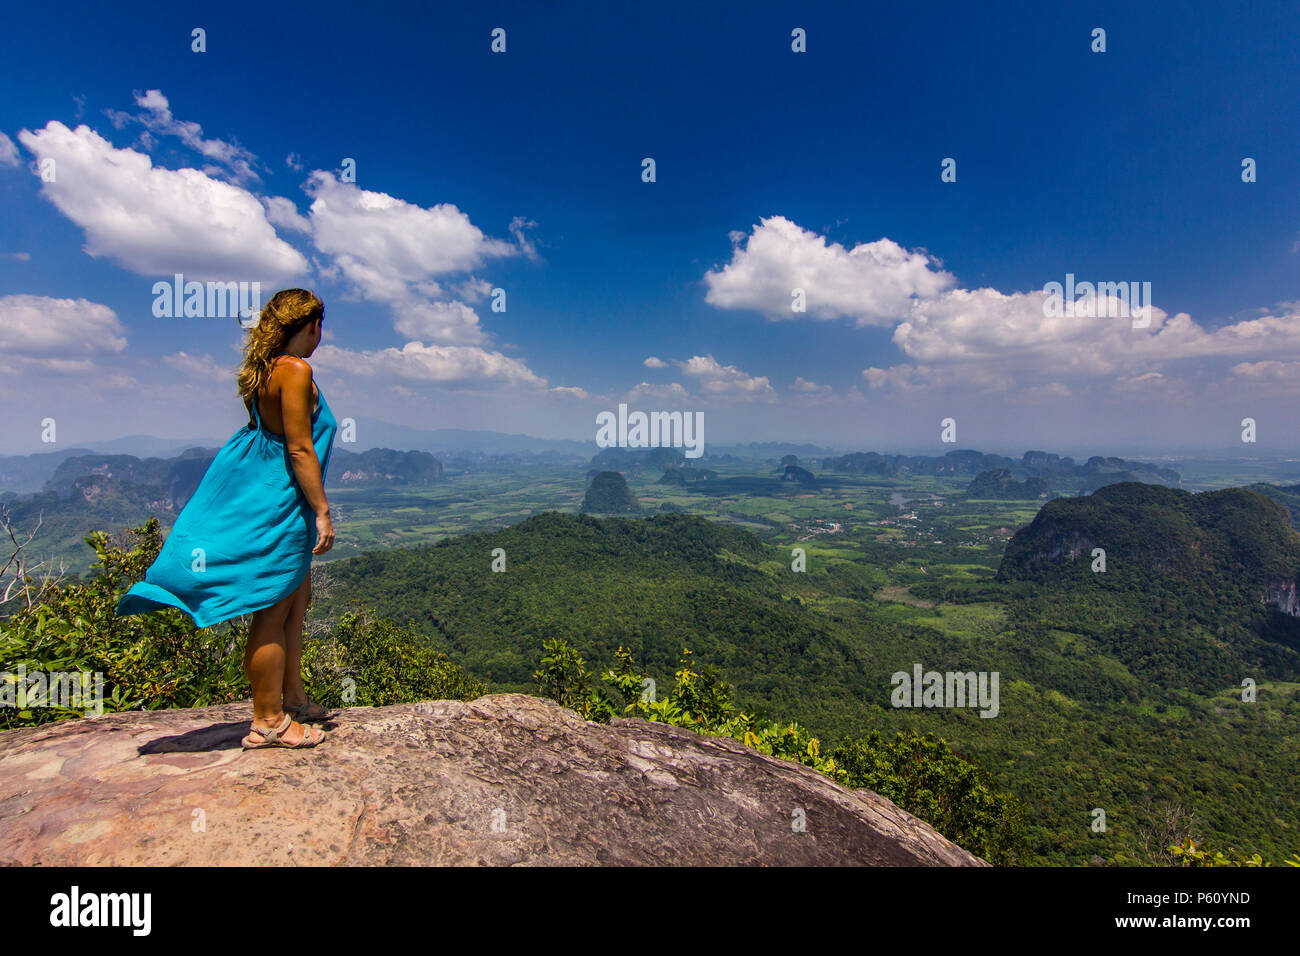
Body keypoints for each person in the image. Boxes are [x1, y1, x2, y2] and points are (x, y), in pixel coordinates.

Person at [116, 289, 338, 749]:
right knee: (273, 609)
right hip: (280, 501)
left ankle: (293, 698)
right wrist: (323, 511)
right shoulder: (296, 370)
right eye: (321, 327)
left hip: (270, 493)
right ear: (312, 325)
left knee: (296, 604)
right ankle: (269, 721)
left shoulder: (264, 370)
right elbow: (298, 447)